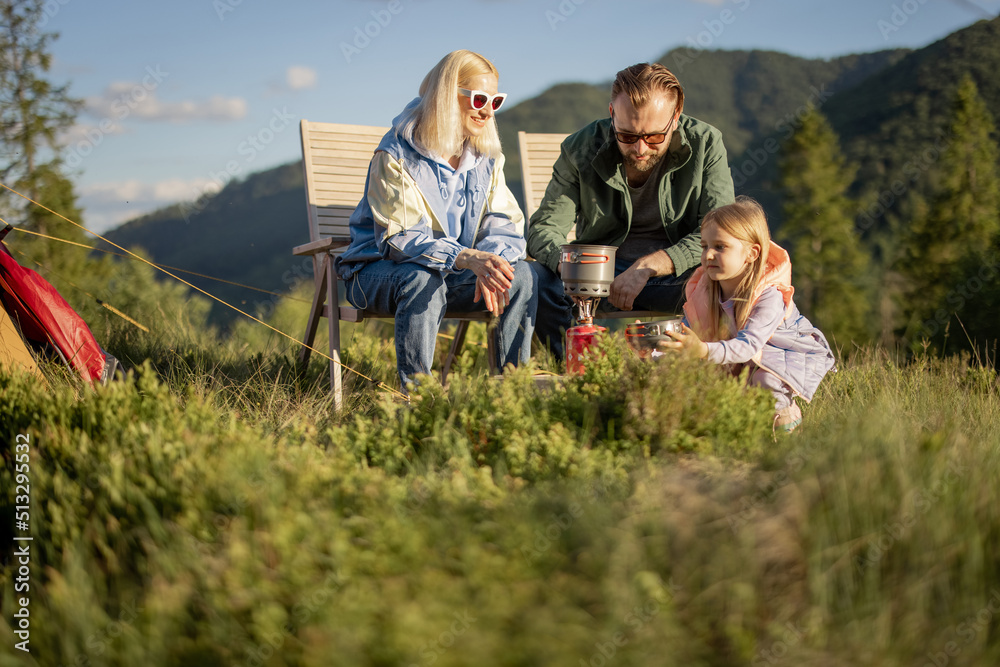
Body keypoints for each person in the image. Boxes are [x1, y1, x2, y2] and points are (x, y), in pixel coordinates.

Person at [335, 50, 536, 390]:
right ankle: (418, 397)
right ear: (447, 96)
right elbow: (400, 239)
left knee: (521, 275)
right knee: (420, 277)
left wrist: (493, 260)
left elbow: (504, 221)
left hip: (450, 273)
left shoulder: (487, 158)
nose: (488, 111)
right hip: (377, 273)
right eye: (479, 99)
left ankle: (514, 392)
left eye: (496, 100)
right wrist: (467, 257)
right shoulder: (395, 154)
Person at [526, 62, 735, 360]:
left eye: (653, 138)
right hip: (599, 277)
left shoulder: (706, 143)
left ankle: (724, 375)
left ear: (675, 118)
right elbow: (542, 229)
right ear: (612, 113)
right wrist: (572, 267)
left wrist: (649, 266)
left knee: (736, 275)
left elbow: (721, 230)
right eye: (626, 136)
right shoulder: (579, 149)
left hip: (680, 278)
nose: (640, 149)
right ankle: (569, 376)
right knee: (536, 277)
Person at [659, 197, 836, 432]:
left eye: (720, 247)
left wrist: (702, 350)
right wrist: (655, 341)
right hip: (741, 353)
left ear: (752, 253)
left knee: (765, 381)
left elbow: (749, 346)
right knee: (702, 376)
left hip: (779, 354)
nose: (708, 255)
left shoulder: (769, 295)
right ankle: (727, 428)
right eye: (704, 246)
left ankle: (784, 427)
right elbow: (688, 332)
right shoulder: (705, 290)